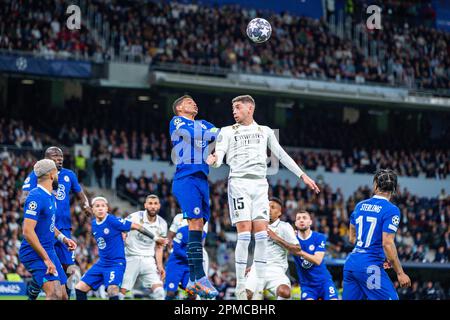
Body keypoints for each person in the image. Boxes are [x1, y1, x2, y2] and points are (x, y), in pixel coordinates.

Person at [207, 95, 320, 300]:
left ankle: (258, 281)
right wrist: (213, 160)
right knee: (244, 232)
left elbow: (282, 154)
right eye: (233, 108)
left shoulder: (265, 131)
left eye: (238, 107)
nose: (234, 111)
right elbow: (219, 157)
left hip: (260, 184)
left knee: (260, 233)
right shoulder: (227, 131)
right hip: (239, 182)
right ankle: (242, 283)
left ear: (250, 109)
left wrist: (302, 175)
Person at [21, 146, 92, 299]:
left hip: (58, 234)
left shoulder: (52, 197)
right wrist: (46, 259)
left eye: (61, 156)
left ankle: (56, 285)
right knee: (53, 293)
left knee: (63, 294)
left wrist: (63, 238)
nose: (59, 159)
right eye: (55, 157)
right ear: (51, 175)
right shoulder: (37, 195)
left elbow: (51, 226)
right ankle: (37, 282)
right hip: (38, 247)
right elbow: (27, 231)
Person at [169, 95, 219, 298]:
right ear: (180, 107)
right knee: (194, 222)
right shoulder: (177, 121)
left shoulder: (204, 123)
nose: (195, 104)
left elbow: (218, 135)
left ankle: (193, 278)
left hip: (201, 178)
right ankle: (199, 277)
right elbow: (194, 133)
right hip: (185, 177)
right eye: (189, 102)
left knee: (198, 226)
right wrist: (210, 135)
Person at [75, 197, 163, 300]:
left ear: (107, 208)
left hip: (115, 264)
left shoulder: (112, 220)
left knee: (112, 290)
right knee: (79, 288)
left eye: (103, 206)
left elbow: (137, 226)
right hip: (102, 263)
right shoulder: (94, 224)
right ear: (93, 209)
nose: (100, 208)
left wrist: (155, 237)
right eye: (97, 206)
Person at [343, 169, 411, 300]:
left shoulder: (359, 206)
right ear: (394, 189)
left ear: (375, 185)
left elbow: (352, 238)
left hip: (351, 263)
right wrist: (400, 273)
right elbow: (387, 243)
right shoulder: (392, 210)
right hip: (370, 266)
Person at [246, 197, 298, 300]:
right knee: (246, 295)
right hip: (257, 269)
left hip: (276, 269)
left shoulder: (285, 226)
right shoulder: (258, 226)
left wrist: (277, 238)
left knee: (285, 292)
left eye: (273, 207)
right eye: (267, 206)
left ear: (279, 213)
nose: (269, 209)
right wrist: (252, 266)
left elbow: (297, 249)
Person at [120, 195, 168, 300]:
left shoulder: (163, 224)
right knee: (120, 294)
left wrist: (160, 266)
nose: (153, 206)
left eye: (155, 204)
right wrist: (123, 235)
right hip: (130, 257)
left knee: (160, 293)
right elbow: (122, 229)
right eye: (150, 203)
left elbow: (159, 247)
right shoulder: (134, 217)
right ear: (145, 205)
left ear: (159, 206)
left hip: (148, 260)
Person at [291, 211, 338, 300]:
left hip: (324, 282)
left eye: (304, 218)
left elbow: (318, 260)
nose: (301, 220)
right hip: (307, 286)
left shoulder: (319, 237)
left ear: (310, 222)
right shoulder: (292, 239)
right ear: (295, 223)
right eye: (298, 218)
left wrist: (299, 252)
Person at [164, 213, 209, 300]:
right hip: (176, 264)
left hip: (189, 267)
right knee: (171, 292)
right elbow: (176, 249)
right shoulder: (182, 231)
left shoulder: (202, 233)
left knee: (192, 294)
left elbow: (200, 246)